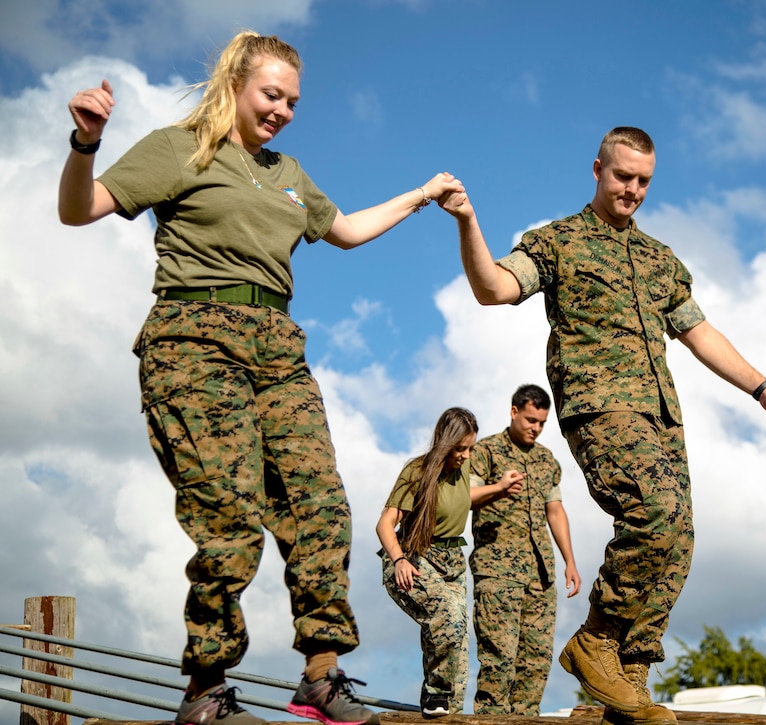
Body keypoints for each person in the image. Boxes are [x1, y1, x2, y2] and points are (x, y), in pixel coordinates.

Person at [59, 30, 465, 725]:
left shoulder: (287, 174)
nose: (282, 110)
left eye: (293, 101)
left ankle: (320, 673)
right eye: (271, 95)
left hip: (277, 345)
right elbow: (78, 209)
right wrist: (85, 143)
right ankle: (206, 686)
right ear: (237, 86)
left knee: (322, 505)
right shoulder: (180, 148)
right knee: (230, 515)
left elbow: (347, 229)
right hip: (193, 341)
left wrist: (423, 194)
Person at [441, 126, 766, 725]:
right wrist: (467, 222)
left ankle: (630, 674)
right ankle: (596, 640)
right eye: (622, 176)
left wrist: (763, 389)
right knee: (654, 511)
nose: (632, 189)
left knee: (679, 537)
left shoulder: (660, 259)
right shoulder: (559, 242)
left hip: (660, 413)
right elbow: (494, 288)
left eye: (643, 181)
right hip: (600, 407)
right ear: (597, 170)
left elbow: (699, 333)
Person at [375, 407, 523, 718]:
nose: (466, 455)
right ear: (445, 443)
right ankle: (434, 693)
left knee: (458, 647)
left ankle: (447, 711)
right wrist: (399, 560)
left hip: (452, 564)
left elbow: (464, 498)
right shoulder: (417, 471)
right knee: (450, 618)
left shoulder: (461, 471)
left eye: (470, 448)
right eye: (460, 448)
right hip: (413, 558)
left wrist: (499, 488)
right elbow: (385, 523)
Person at [469, 383, 582, 715]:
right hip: (497, 571)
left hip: (540, 574)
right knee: (499, 658)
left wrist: (570, 562)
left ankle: (525, 721)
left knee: (535, 662)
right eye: (530, 419)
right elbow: (466, 499)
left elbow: (555, 510)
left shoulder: (547, 460)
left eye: (542, 423)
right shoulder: (485, 451)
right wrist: (500, 488)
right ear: (514, 411)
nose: (535, 428)